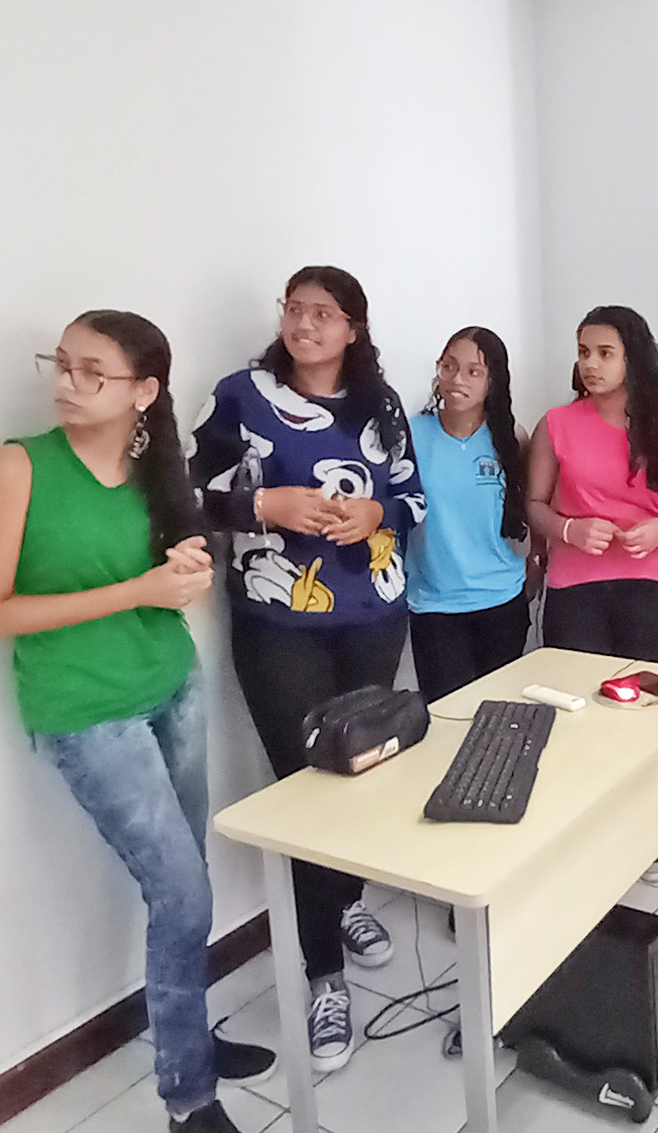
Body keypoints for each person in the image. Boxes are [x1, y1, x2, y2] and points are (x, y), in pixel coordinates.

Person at [0, 311, 273, 1133]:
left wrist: (182, 582)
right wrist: (136, 589)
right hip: (85, 710)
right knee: (182, 894)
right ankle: (189, 1095)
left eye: (91, 371)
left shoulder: (154, 469)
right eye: (60, 364)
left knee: (188, 880)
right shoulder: (17, 467)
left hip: (170, 684)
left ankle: (187, 1034)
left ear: (144, 391)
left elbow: (169, 586)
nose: (66, 383)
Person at [189, 266, 426, 1074]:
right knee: (306, 786)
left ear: (354, 328)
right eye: (294, 309)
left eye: (324, 313)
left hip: (373, 614)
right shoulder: (241, 396)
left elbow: (412, 500)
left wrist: (376, 512)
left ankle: (345, 901)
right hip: (277, 622)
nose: (306, 323)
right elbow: (184, 493)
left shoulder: (380, 404)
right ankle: (324, 975)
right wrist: (268, 506)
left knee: (362, 772)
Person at [526, 305, 658, 882]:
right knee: (579, 707)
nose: (591, 364)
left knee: (640, 709)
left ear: (634, 359)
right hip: (576, 584)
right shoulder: (557, 424)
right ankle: (587, 822)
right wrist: (569, 530)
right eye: (584, 352)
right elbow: (534, 505)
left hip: (652, 583)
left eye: (605, 353)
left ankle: (645, 828)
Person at [407, 327, 538, 703]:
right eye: (448, 366)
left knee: (499, 715)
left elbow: (531, 508)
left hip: (502, 600)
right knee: (449, 717)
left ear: (493, 380)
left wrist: (536, 565)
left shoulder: (511, 438)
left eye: (473, 371)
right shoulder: (412, 434)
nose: (457, 379)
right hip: (435, 605)